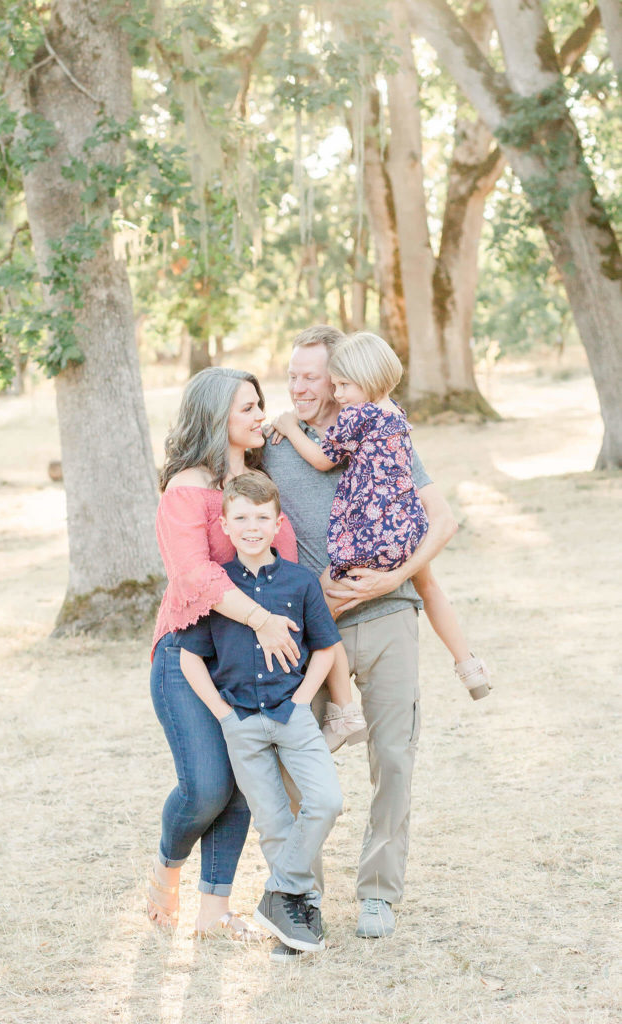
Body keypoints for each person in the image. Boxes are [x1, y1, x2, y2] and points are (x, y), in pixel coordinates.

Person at [262, 324, 459, 943]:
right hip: (309, 632)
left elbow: (442, 518)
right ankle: (302, 891)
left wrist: (390, 578)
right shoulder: (270, 449)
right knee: (295, 764)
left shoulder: (380, 429)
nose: (298, 386)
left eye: (311, 376)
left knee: (394, 757)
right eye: (292, 374)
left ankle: (378, 892)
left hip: (388, 614)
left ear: (343, 378)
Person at [148, 367, 301, 940]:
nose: (261, 415)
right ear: (217, 418)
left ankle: (215, 911)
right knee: (207, 786)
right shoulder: (187, 486)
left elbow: (286, 566)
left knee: (242, 785)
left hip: (247, 663)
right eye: (247, 408)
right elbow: (193, 575)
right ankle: (167, 867)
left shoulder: (263, 484)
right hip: (186, 651)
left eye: (261, 404)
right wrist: (261, 618)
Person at [271, 330, 491, 709]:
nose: (299, 388)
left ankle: (339, 706)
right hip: (402, 524)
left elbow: (325, 458)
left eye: (324, 380)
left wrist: (290, 427)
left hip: (369, 528)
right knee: (429, 584)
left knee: (323, 599)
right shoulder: (395, 415)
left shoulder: (355, 417)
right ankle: (467, 664)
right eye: (293, 376)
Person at [175, 472, 344, 953]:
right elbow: (190, 658)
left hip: (293, 716)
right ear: (225, 525)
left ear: (278, 524)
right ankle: (297, 918)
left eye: (262, 518)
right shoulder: (217, 587)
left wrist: (299, 700)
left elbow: (327, 649)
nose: (252, 527)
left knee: (326, 801)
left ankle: (276, 894)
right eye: (242, 518)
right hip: (242, 723)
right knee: (273, 824)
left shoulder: (300, 580)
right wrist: (225, 716)